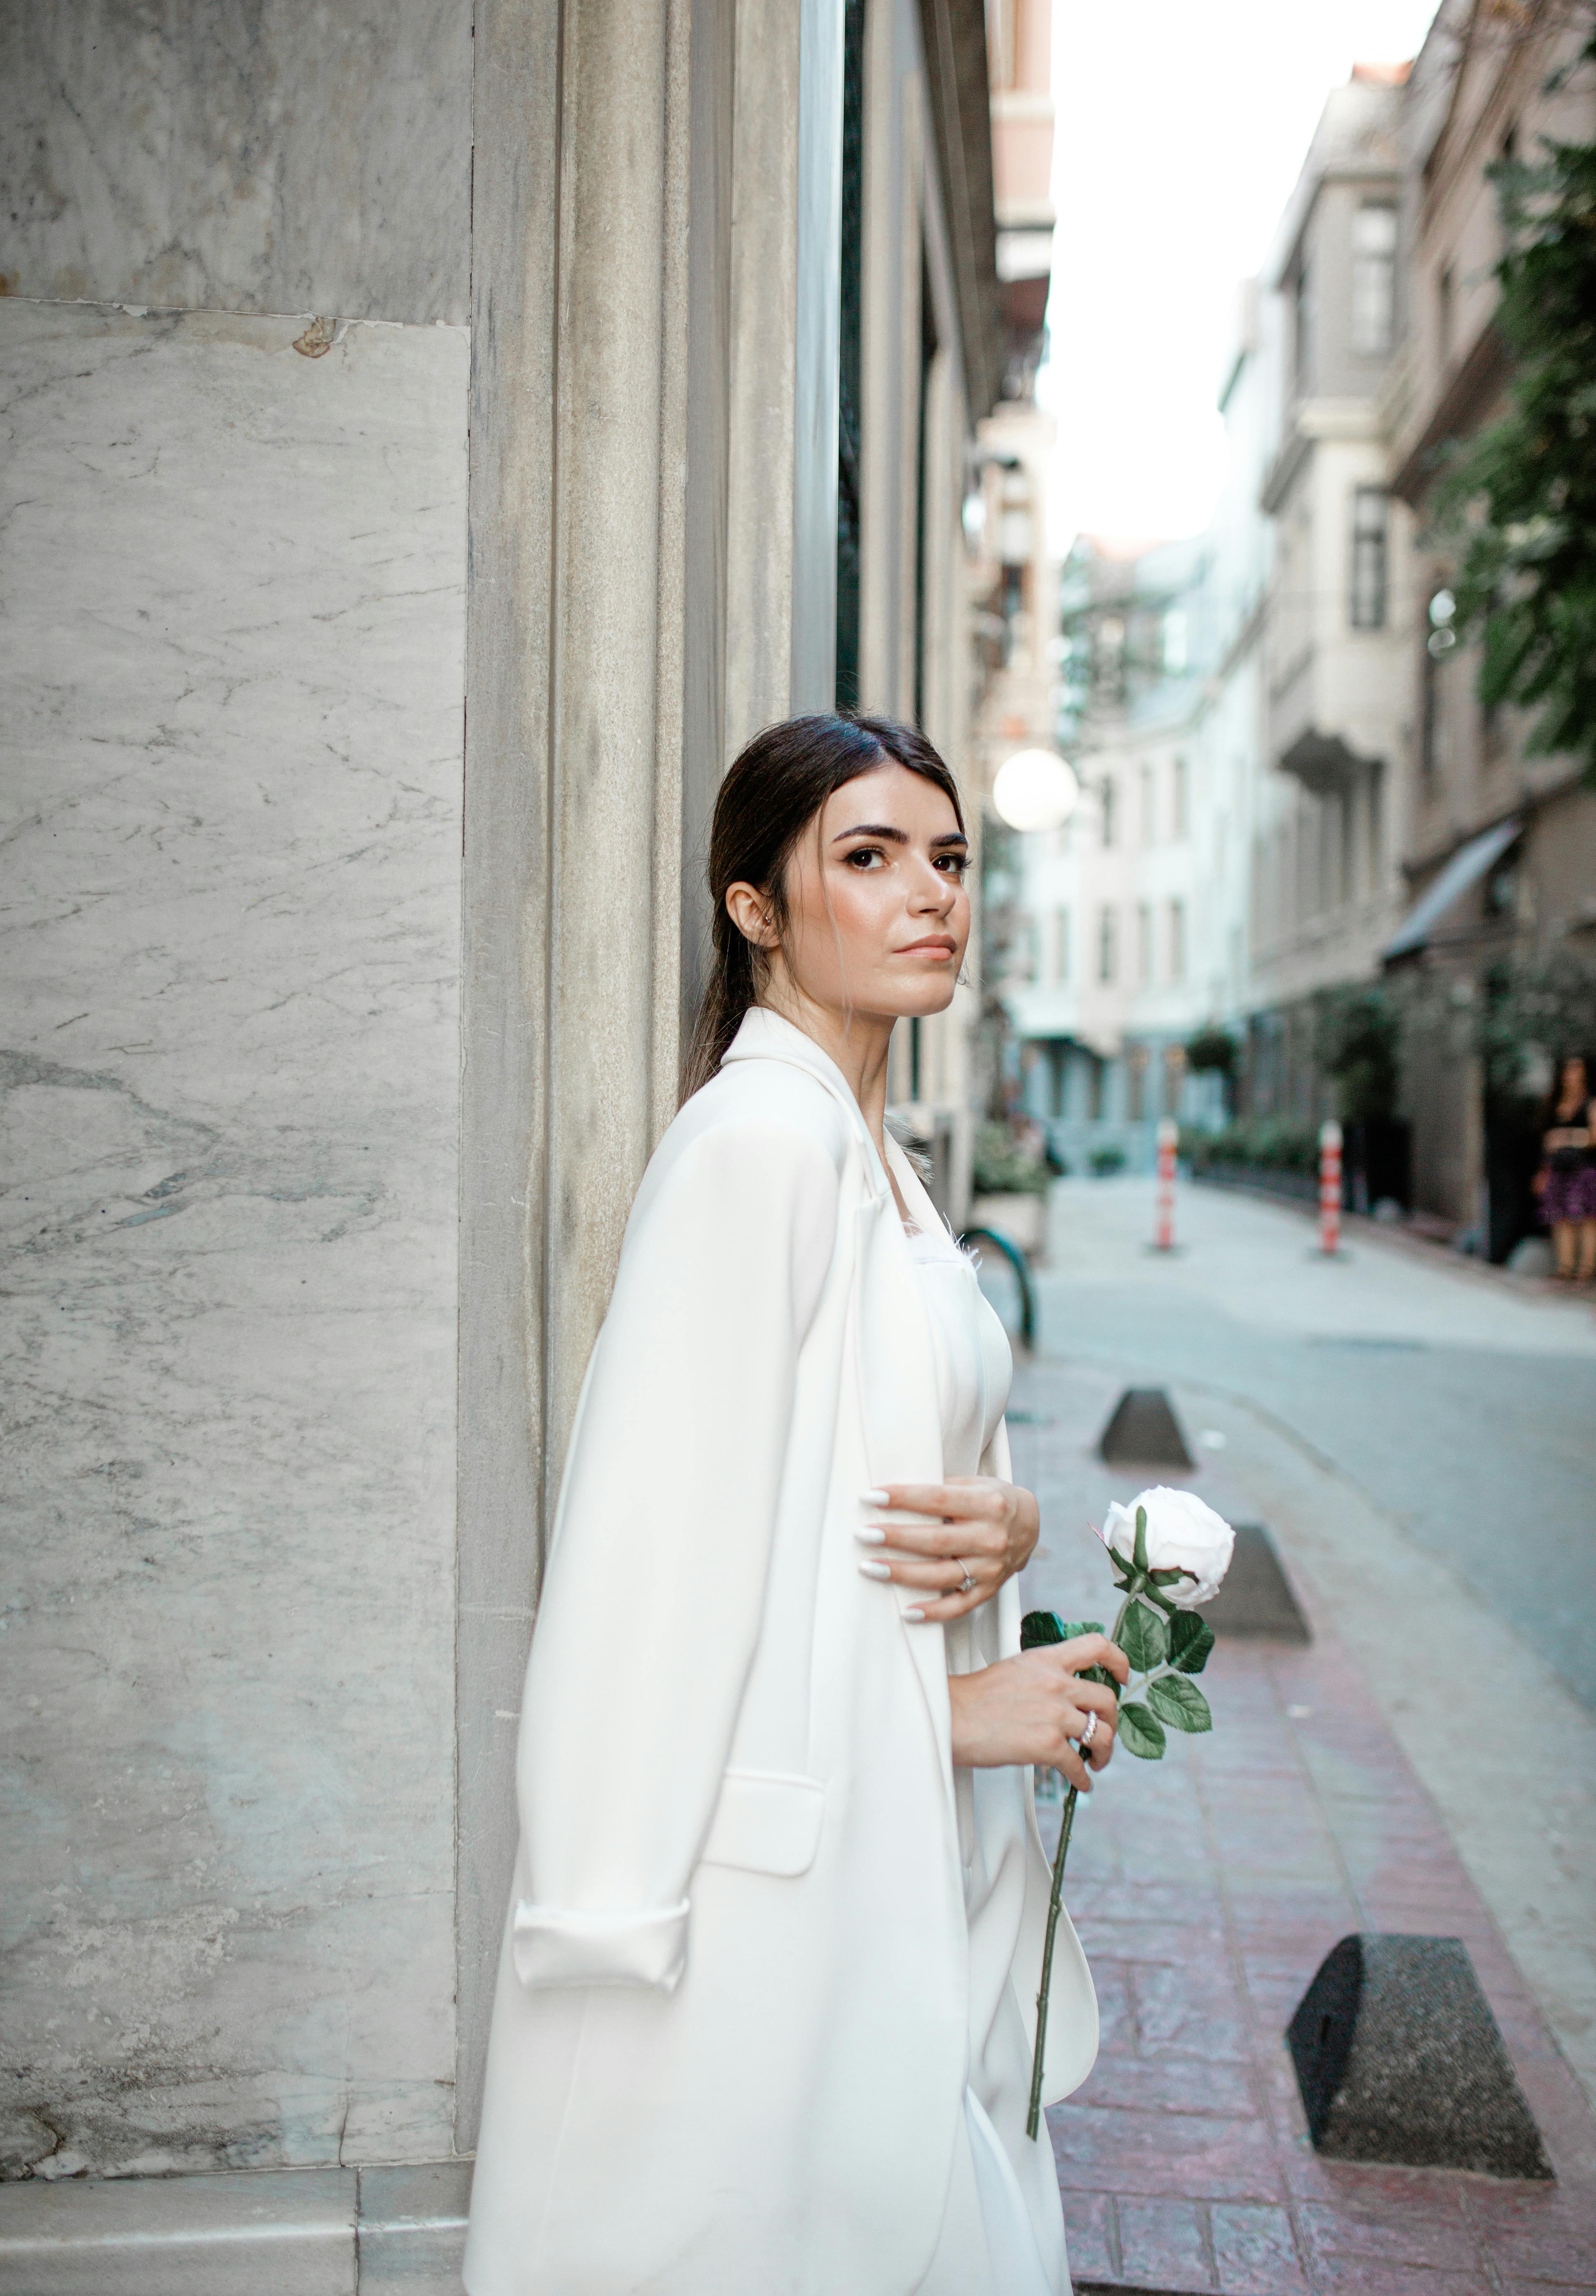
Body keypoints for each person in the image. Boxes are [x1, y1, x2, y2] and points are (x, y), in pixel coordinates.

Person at [463, 714, 1126, 2296]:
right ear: (755, 907)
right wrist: (955, 1716)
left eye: (950, 860)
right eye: (871, 857)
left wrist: (1011, 1530)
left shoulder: (869, 1158)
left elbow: (877, 1477)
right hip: (761, 1909)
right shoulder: (758, 1145)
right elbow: (655, 1567)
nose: (931, 897)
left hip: (891, 1880)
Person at [1534, 1052, 1596, 1282]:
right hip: (1559, 1169)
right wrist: (1543, 1172)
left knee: (1587, 1218)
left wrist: (1567, 1137)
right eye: (1567, 1069)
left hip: (1584, 1169)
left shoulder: (1590, 1103)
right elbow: (1545, 1141)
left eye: (1575, 1069)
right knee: (1560, 1218)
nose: (1570, 1075)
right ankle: (1565, 1266)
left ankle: (1587, 1268)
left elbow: (1593, 1137)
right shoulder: (1555, 1103)